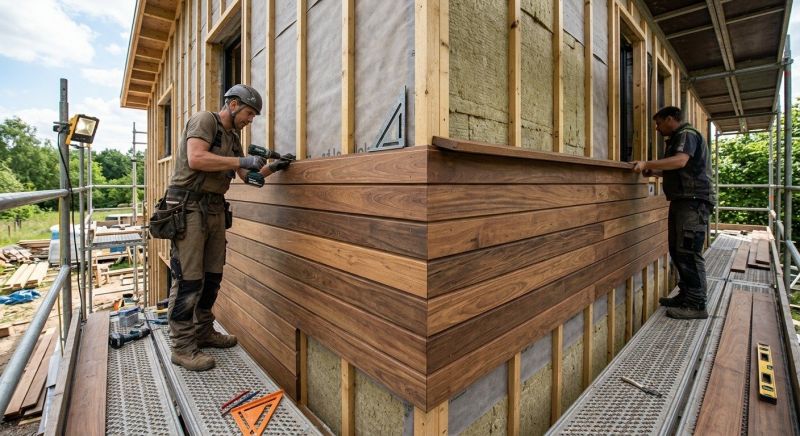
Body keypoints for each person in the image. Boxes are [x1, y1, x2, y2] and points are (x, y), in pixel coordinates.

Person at [165, 84, 292, 371]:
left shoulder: (233, 137)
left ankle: (203, 331)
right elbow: (197, 158)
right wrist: (241, 159)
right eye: (249, 113)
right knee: (189, 280)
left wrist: (275, 166)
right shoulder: (204, 121)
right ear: (233, 105)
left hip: (213, 208)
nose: (251, 120)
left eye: (254, 116)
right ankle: (183, 347)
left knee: (212, 277)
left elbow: (249, 178)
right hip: (188, 206)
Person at [631, 106, 715, 320]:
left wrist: (646, 163)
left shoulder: (686, 134)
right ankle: (687, 295)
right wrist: (655, 171)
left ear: (670, 119)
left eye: (659, 123)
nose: (657, 128)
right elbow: (680, 169)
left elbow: (680, 161)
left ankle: (697, 304)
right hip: (684, 201)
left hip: (693, 202)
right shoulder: (681, 136)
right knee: (678, 250)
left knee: (688, 251)